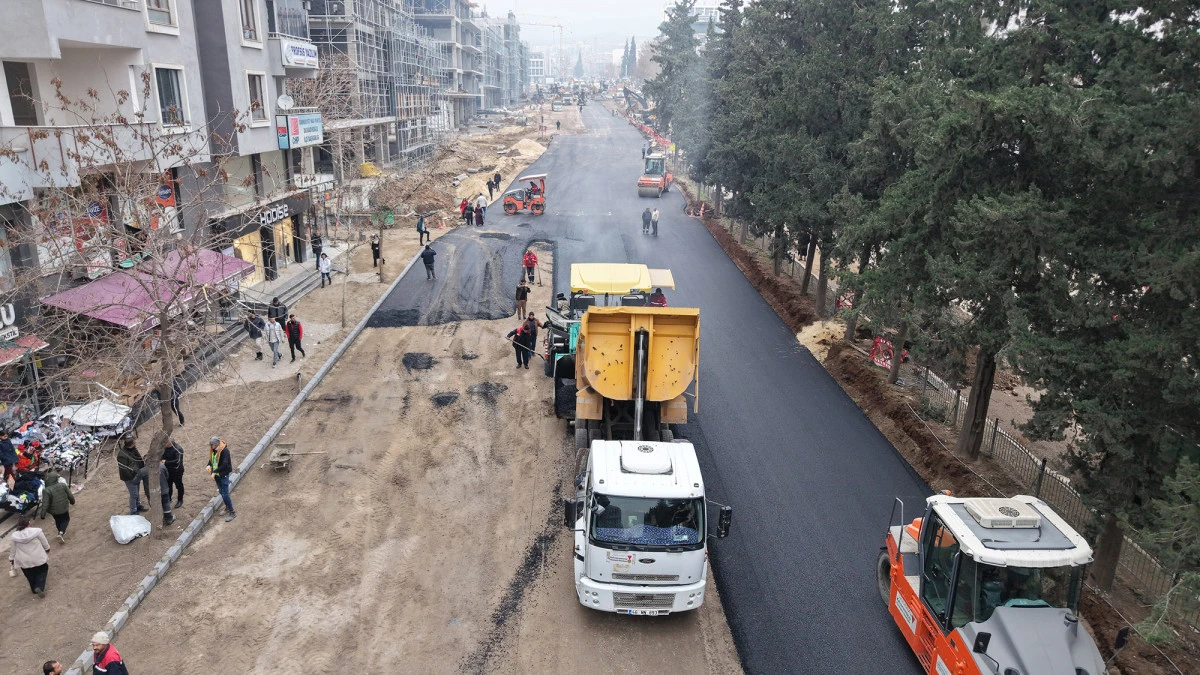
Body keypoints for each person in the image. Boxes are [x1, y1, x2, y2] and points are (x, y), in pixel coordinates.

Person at [9, 517, 49, 596]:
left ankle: (34, 589)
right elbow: (44, 542)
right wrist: (47, 548)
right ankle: (39, 587)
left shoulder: (14, 536)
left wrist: (11, 558)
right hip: (37, 557)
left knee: (30, 575)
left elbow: (13, 549)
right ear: (28, 523)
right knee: (42, 570)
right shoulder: (37, 531)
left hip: (23, 560)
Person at [37, 470, 74, 543]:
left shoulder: (46, 490)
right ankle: (61, 532)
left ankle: (60, 531)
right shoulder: (62, 485)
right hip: (64, 507)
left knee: (58, 520)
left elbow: (45, 503)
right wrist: (72, 501)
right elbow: (70, 495)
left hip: (54, 511)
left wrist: (43, 514)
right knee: (66, 519)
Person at [117, 438, 150, 515]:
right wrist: (132, 478)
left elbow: (138, 459)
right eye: (134, 442)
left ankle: (138, 505)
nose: (136, 443)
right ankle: (133, 511)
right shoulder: (122, 455)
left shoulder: (133, 449)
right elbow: (124, 469)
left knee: (136, 492)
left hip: (137, 474)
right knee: (134, 494)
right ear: (131, 444)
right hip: (130, 478)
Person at [207, 437, 236, 522]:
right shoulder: (213, 451)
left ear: (215, 444)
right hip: (217, 475)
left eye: (211, 445)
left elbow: (225, 464)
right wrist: (208, 465)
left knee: (225, 494)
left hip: (223, 474)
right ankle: (227, 507)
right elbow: (211, 460)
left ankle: (232, 512)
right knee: (221, 491)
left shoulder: (225, 451)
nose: (210, 446)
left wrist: (215, 471)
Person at [162, 438, 185, 509]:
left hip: (177, 471)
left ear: (170, 443)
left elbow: (177, 461)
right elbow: (162, 455)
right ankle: (169, 498)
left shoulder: (178, 449)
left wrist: (166, 462)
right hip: (168, 470)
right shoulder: (165, 448)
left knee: (179, 485)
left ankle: (180, 500)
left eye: (166, 443)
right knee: (169, 485)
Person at [157, 457, 175, 527]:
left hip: (152, 492)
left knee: (156, 504)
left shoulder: (144, 470)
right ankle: (168, 519)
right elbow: (167, 475)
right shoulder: (162, 466)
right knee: (166, 503)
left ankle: (158, 519)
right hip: (163, 489)